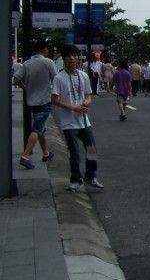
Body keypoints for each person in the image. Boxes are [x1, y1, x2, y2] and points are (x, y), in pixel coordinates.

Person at [51, 45, 103, 192]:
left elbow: (88, 95)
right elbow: (54, 99)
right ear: (64, 58)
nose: (72, 58)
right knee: (74, 153)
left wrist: (86, 103)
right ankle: (75, 179)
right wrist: (74, 108)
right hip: (69, 123)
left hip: (84, 121)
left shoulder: (83, 75)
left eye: (74, 55)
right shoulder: (59, 78)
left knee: (92, 149)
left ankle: (91, 176)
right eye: (69, 55)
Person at [15, 40, 56, 169]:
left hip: (31, 101)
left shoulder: (27, 63)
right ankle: (25, 156)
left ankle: (46, 153)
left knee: (40, 127)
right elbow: (56, 79)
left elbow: (17, 79)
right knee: (37, 128)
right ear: (44, 49)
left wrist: (26, 88)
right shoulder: (48, 62)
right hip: (44, 101)